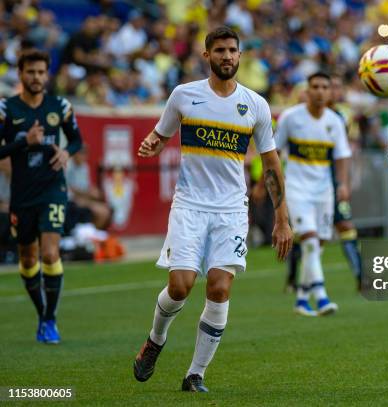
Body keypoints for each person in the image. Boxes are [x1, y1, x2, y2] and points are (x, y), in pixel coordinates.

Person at [132, 26, 292, 393]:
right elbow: (162, 133)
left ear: (240, 55)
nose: (227, 56)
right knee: (180, 285)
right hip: (189, 205)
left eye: (232, 50)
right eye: (219, 50)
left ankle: (195, 375)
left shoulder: (255, 105)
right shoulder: (184, 96)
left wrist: (282, 218)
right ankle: (155, 340)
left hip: (232, 210)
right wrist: (153, 144)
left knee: (219, 289)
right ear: (207, 55)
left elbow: (271, 165)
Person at [0, 49, 83, 344]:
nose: (36, 77)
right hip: (22, 195)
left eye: (40, 72)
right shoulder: (6, 109)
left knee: (50, 253)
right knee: (27, 257)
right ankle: (41, 313)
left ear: (47, 75)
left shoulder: (59, 105)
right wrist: (24, 141)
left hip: (53, 189)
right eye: (30, 72)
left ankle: (50, 320)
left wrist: (66, 152)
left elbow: (76, 140)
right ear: (21, 74)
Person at [275, 72, 352, 316]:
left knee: (317, 246)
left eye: (324, 87)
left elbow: (341, 156)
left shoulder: (334, 121)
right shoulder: (291, 117)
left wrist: (342, 183)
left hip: (324, 191)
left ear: (330, 93)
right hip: (296, 188)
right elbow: (273, 151)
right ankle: (320, 295)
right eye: (315, 87)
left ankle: (301, 299)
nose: (319, 91)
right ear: (307, 91)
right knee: (308, 238)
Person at [285, 74, 362, 291]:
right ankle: (296, 279)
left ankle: (359, 276)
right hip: (305, 184)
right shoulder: (300, 115)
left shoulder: (339, 117)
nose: (333, 91)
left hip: (331, 184)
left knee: (345, 226)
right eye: (331, 87)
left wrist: (343, 183)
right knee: (305, 232)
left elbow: (343, 151)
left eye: (334, 87)